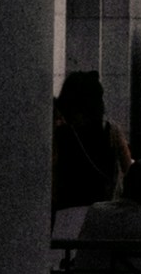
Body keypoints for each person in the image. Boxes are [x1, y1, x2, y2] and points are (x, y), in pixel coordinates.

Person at [52, 67, 125, 212]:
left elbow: (53, 173)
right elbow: (128, 169)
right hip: (102, 211)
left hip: (67, 211)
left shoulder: (60, 134)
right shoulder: (111, 131)